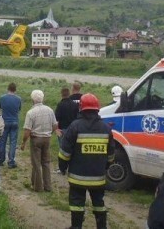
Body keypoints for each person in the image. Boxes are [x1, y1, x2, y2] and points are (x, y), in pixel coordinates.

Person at [59, 93, 114, 229]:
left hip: (78, 178)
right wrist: (104, 167)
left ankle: (76, 227)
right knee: (98, 204)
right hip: (98, 178)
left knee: (77, 204)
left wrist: (62, 167)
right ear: (97, 109)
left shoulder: (75, 126)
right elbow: (111, 155)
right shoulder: (106, 128)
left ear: (81, 108)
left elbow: (65, 152)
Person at [20, 90, 58, 192]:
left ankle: (38, 186)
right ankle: (48, 186)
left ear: (32, 100)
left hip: (36, 139)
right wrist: (50, 132)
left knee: (36, 163)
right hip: (47, 138)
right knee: (46, 162)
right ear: (43, 98)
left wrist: (24, 142)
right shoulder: (50, 110)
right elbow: (55, 125)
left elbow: (27, 130)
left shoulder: (31, 113)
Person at [54, 82, 82, 174]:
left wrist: (56, 129)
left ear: (61, 94)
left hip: (62, 130)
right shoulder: (74, 105)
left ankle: (62, 169)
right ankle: (72, 167)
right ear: (69, 93)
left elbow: (56, 119)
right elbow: (77, 117)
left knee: (62, 149)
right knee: (73, 148)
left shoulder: (60, 105)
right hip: (73, 130)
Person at [0, 82, 22, 168]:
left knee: (2, 141)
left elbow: (0, 107)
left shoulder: (2, 98)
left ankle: (0, 160)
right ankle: (11, 161)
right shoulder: (18, 99)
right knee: (13, 142)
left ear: (8, 89)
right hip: (14, 122)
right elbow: (19, 109)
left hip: (4, 121)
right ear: (15, 90)